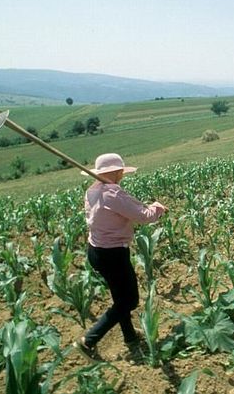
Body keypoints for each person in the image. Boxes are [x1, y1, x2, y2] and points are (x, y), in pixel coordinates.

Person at [73, 153, 167, 360]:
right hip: (113, 254)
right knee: (129, 300)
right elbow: (143, 216)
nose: (123, 174)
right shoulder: (112, 194)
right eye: (121, 171)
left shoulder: (93, 191)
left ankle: (130, 336)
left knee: (120, 297)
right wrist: (158, 208)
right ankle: (89, 339)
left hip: (96, 251)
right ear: (116, 172)